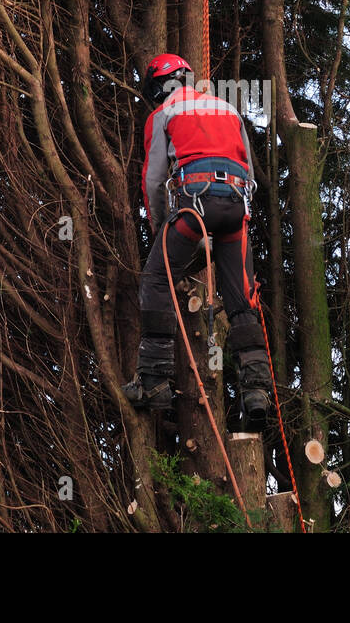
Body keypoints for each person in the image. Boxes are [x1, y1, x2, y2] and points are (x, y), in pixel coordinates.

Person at [123, 53, 274, 429]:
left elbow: (154, 179)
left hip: (193, 204)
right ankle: (256, 391)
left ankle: (155, 382)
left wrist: (160, 227)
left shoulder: (164, 113)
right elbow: (250, 172)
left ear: (160, 86)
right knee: (241, 298)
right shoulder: (227, 108)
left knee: (157, 280)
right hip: (236, 206)